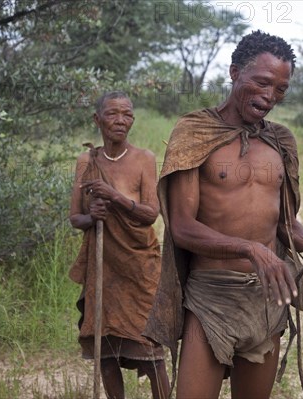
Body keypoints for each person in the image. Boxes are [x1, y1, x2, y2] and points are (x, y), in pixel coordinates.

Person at [143, 31, 303, 398]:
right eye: (262, 82)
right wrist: (250, 249)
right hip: (211, 298)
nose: (270, 96)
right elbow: (182, 227)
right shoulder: (196, 133)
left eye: (281, 89)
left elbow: (283, 221)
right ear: (234, 73)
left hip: (268, 298)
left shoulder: (280, 142)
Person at [69, 91, 170, 399]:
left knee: (151, 353)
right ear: (97, 119)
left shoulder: (144, 159)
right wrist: (92, 216)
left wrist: (113, 198)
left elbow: (150, 214)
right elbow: (75, 217)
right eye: (113, 114)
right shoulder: (87, 161)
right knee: (106, 352)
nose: (121, 121)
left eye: (127, 115)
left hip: (140, 268)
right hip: (104, 271)